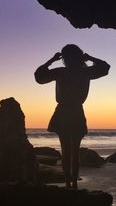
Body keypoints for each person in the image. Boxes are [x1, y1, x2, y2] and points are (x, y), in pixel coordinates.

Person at [34, 44, 110, 189]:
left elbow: (39, 77)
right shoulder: (85, 72)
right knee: (75, 150)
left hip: (62, 111)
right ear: (79, 56)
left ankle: (69, 182)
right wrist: (89, 57)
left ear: (65, 58)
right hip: (76, 111)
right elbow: (105, 67)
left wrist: (51, 60)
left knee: (65, 150)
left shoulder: (61, 72)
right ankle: (73, 183)